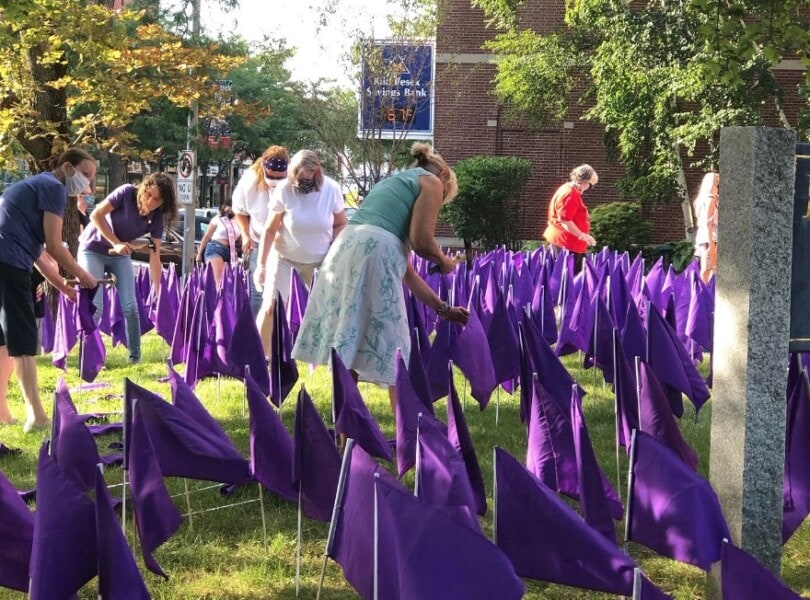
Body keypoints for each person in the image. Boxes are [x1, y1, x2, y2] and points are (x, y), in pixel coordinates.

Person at [292, 142, 469, 411]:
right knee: (395, 345)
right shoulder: (433, 182)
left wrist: (443, 310)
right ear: (443, 176)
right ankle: (406, 427)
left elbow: (406, 272)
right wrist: (443, 261)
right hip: (373, 252)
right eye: (443, 200)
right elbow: (421, 240)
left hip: (345, 248)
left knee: (347, 340)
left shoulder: (394, 183)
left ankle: (345, 431)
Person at [0, 147, 99, 431]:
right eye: (86, 174)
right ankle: (36, 415)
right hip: (8, 264)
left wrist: (64, 287)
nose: (88, 184)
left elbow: (38, 254)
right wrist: (83, 274)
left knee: (3, 342)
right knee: (22, 340)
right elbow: (54, 245)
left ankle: (3, 413)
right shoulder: (53, 188)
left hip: (7, 260)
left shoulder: (36, 185)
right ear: (67, 168)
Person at [78, 172, 178, 364]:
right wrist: (115, 243)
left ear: (163, 202)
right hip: (93, 249)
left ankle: (134, 357)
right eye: (148, 194)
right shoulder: (125, 193)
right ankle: (88, 357)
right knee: (96, 305)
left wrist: (157, 289)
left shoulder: (157, 216)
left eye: (157, 199)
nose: (150, 201)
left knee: (131, 307)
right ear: (143, 187)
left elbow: (154, 254)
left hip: (120, 256)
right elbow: (96, 215)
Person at [254, 149, 347, 356]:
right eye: (295, 177)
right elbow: (270, 229)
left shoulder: (331, 189)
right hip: (285, 257)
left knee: (329, 310)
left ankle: (332, 359)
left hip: (321, 260)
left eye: (304, 178)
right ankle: (262, 358)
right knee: (271, 305)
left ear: (317, 172)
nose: (299, 183)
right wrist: (260, 266)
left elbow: (341, 224)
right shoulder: (285, 189)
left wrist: (334, 251)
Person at [0, 251, 77, 425]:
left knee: (6, 345)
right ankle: (36, 416)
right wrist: (68, 285)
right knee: (21, 346)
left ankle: (3, 412)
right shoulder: (28, 231)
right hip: (13, 274)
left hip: (19, 278)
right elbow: (47, 262)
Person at [232, 145, 290, 316]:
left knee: (284, 293)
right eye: (271, 176)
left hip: (286, 244)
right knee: (259, 293)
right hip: (259, 241)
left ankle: (283, 336)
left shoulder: (293, 180)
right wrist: (245, 235)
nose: (275, 181)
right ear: (264, 168)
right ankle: (257, 337)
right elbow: (240, 211)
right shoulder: (249, 182)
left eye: (280, 178)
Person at [542, 164, 599, 273]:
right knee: (568, 279)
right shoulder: (570, 194)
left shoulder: (568, 189)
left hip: (566, 242)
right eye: (591, 185)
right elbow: (565, 220)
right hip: (566, 244)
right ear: (584, 182)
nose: (590, 188)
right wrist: (583, 236)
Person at [196, 202, 239, 288]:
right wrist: (199, 254)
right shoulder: (218, 219)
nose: (229, 211)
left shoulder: (239, 221)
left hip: (230, 253)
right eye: (227, 209)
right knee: (218, 283)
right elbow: (207, 236)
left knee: (230, 285)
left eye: (231, 209)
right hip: (215, 249)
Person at [693, 172, 719, 283]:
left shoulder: (703, 199)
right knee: (710, 268)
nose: (718, 185)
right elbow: (708, 222)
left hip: (705, 236)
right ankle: (705, 294)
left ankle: (703, 293)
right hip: (710, 236)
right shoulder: (710, 198)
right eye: (716, 182)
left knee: (707, 268)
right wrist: (711, 243)